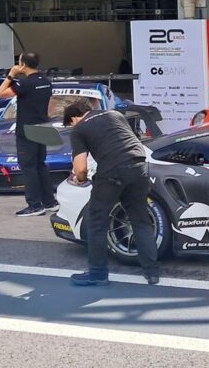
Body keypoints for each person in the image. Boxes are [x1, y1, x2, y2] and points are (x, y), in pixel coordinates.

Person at [63, 101, 160, 286]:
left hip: (112, 171)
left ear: (74, 118)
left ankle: (98, 274)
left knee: (96, 221)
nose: (72, 127)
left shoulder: (79, 129)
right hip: (140, 167)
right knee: (140, 220)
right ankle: (152, 273)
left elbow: (80, 168)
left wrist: (80, 179)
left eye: (70, 124)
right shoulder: (115, 114)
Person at [0, 52, 58, 217]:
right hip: (43, 126)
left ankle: (35, 205)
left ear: (23, 64)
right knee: (40, 165)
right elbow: (51, 105)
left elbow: (0, 94)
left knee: (29, 167)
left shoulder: (24, 83)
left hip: (27, 129)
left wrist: (11, 75)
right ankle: (50, 202)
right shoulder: (45, 81)